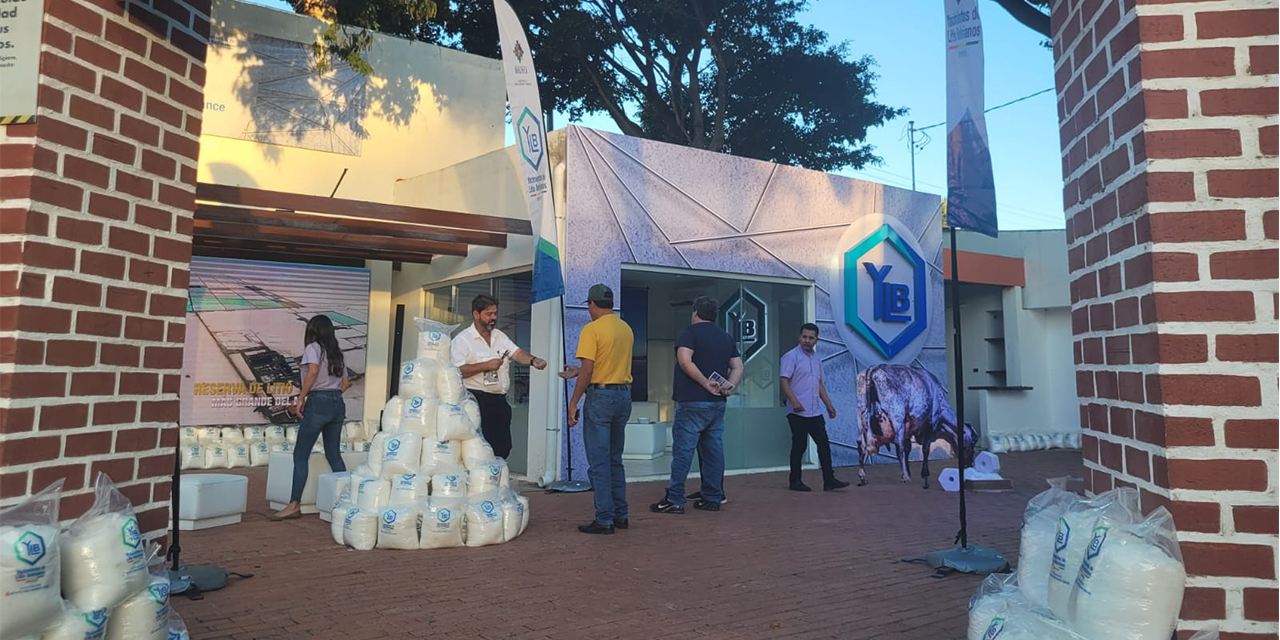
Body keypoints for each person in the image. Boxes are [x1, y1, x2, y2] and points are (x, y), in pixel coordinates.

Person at [651, 296, 742, 515]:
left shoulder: (690, 333)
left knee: (683, 450)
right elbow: (738, 366)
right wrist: (729, 387)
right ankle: (712, 496)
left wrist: (703, 382)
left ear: (695, 312)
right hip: (717, 403)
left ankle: (674, 498)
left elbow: (684, 360)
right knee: (713, 450)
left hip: (692, 401)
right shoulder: (725, 337)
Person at [560, 284, 635, 535]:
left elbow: (590, 369)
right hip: (623, 396)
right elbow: (607, 365)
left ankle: (604, 519)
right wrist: (577, 370)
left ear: (591, 304)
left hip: (600, 398)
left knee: (598, 461)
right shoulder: (625, 328)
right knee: (615, 459)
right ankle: (620, 514)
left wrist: (573, 402)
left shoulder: (591, 330)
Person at [271, 315, 350, 520]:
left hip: (318, 402)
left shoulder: (313, 348)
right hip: (337, 403)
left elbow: (313, 371)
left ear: (312, 330)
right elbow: (345, 383)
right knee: (333, 454)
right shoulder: (337, 353)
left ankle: (294, 504)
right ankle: (347, 500)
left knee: (301, 454)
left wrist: (302, 397)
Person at [451, 294, 548, 460]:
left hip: (499, 400)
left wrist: (533, 360)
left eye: (495, 313)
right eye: (489, 314)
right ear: (476, 314)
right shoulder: (463, 340)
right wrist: (485, 366)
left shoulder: (499, 336)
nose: (493, 318)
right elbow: (456, 372)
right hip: (475, 399)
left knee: (502, 446)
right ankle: (480, 481)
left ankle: (496, 478)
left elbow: (517, 353)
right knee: (478, 447)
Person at [780, 323, 850, 492]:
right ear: (799, 337)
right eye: (804, 337)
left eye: (811, 338)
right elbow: (784, 380)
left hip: (814, 411)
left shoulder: (817, 359)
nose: (807, 341)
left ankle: (829, 479)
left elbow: (819, 383)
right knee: (799, 446)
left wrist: (829, 404)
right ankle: (795, 481)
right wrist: (794, 401)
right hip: (797, 411)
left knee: (824, 445)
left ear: (816, 340)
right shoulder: (791, 357)